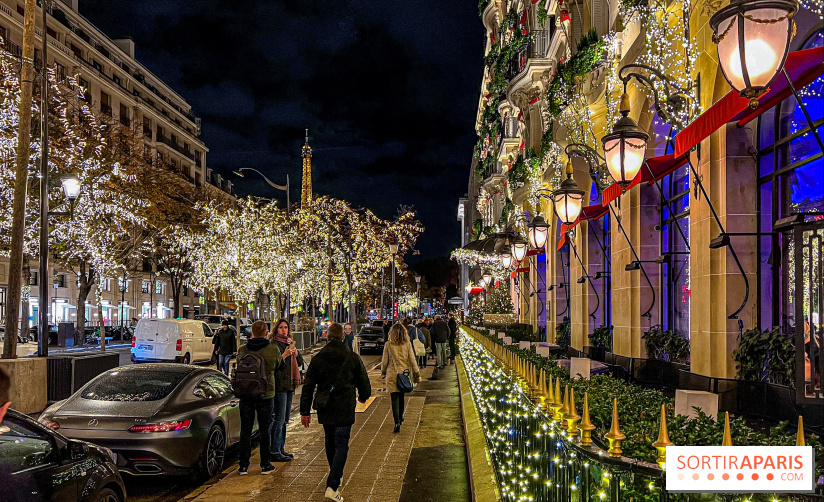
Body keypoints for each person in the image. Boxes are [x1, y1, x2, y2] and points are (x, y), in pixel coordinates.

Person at [300, 323, 371, 502]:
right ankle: (332, 485)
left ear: (328, 336)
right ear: (342, 336)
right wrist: (364, 396)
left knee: (330, 441)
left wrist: (305, 411)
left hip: (325, 406)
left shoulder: (318, 358)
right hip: (345, 406)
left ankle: (335, 474)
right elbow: (363, 380)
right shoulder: (352, 357)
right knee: (342, 443)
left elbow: (308, 386)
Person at [236, 320, 281, 475]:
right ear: (267, 332)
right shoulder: (272, 349)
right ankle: (265, 465)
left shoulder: (242, 349)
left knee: (245, 430)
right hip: (265, 394)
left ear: (252, 332)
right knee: (265, 430)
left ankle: (243, 466)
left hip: (246, 394)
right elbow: (278, 365)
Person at [269, 319, 304, 462]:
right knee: (279, 418)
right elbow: (273, 365)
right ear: (276, 329)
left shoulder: (289, 343)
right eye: (281, 327)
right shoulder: (274, 345)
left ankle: (281, 447)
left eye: (286, 327)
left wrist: (296, 353)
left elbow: (300, 363)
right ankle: (274, 450)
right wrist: (285, 355)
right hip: (279, 386)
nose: (284, 330)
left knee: (285, 419)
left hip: (289, 384)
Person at [382, 323, 421, 433]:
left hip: (392, 374)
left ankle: (396, 422)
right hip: (403, 374)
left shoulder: (388, 345)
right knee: (401, 396)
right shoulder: (407, 344)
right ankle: (400, 417)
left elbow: (384, 361)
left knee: (394, 398)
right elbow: (412, 360)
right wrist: (417, 374)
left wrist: (383, 371)